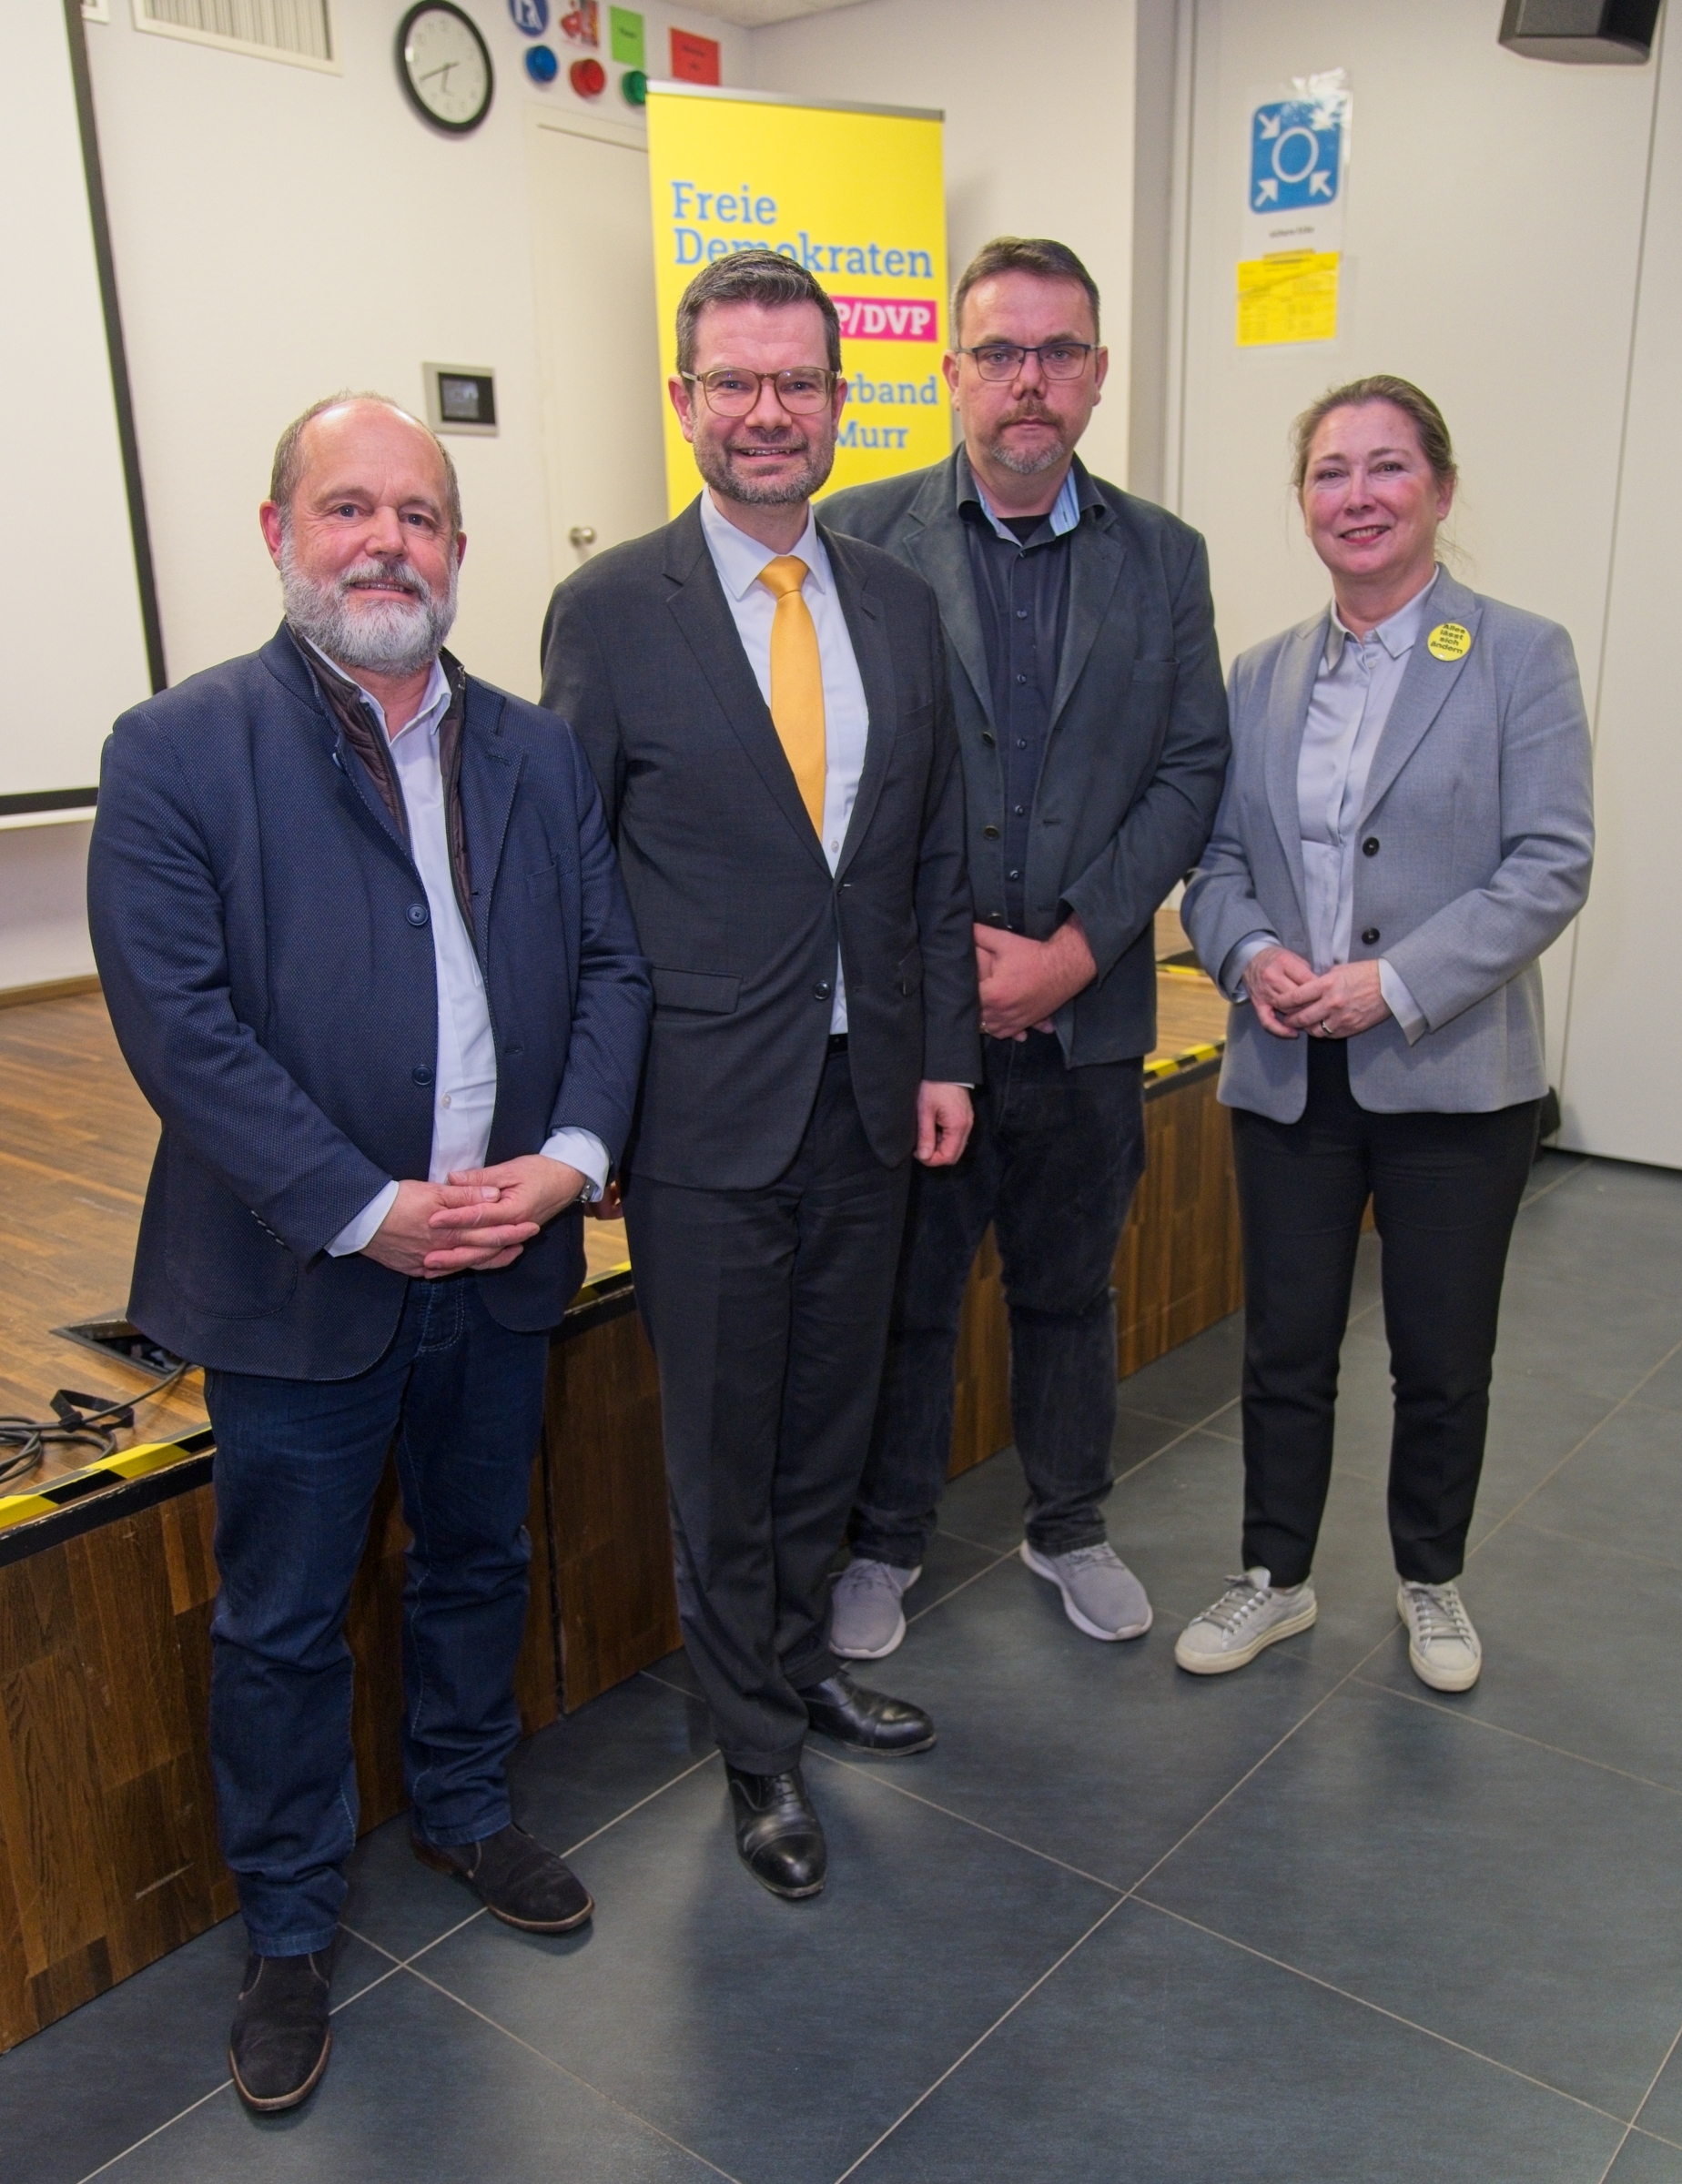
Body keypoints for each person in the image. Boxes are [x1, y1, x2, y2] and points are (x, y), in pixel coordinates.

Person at [87, 395, 651, 2112]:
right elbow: (178, 1029)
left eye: (420, 513)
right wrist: (367, 1206)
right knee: (281, 1620)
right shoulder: (178, 750)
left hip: (505, 1256)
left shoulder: (541, 751)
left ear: (461, 553)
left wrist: (562, 1164)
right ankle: (287, 1923)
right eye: (348, 509)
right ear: (278, 536)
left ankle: (468, 1809)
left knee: (480, 1557)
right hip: (300, 1274)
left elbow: (616, 974)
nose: (386, 540)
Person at [539, 252, 978, 1901]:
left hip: (873, 1097)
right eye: (735, 382)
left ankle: (799, 1666)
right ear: (686, 402)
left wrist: (942, 1060)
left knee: (828, 1422)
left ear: (840, 402)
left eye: (798, 382)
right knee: (725, 1444)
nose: (769, 412)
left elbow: (926, 854)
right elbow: (573, 885)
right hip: (706, 1108)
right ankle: (752, 1748)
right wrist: (587, 1118)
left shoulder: (894, 602)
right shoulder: (606, 612)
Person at [821, 237, 1230, 1660]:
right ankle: (882, 1546)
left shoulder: (1165, 558)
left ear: (1099, 375)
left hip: (1089, 1015)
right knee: (909, 1305)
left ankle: (1070, 1527)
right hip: (918, 1029)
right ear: (951, 373)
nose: (1029, 383)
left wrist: (1075, 948)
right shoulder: (859, 539)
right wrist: (946, 966)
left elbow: (1190, 767)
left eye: (1059, 354)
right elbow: (841, 782)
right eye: (1000, 353)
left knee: (1069, 1291)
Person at [1176, 374, 1594, 1693]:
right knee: (1287, 1342)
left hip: (1451, 1073)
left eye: (1386, 468)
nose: (1356, 496)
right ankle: (1275, 1577)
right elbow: (1218, 861)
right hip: (1291, 1066)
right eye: (1329, 473)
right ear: (1301, 503)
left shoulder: (1519, 654)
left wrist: (1392, 982)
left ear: (1442, 491)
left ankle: (1432, 1580)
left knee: (1441, 1351)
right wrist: (1251, 956)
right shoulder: (1260, 672)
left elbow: (1549, 864)